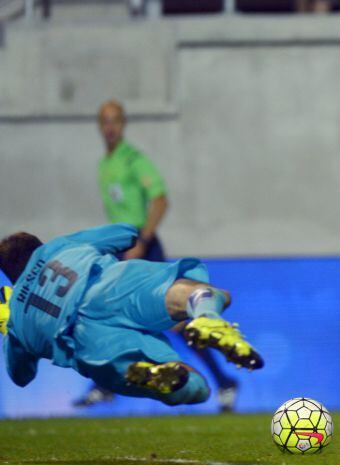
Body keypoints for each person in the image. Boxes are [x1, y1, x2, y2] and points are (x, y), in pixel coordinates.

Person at [75, 100, 241, 412]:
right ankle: (105, 384)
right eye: (105, 121)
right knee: (118, 315)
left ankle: (223, 380)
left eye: (115, 121)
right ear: (100, 126)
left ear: (123, 125)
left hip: (143, 247)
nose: (110, 127)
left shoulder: (134, 161)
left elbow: (160, 200)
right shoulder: (104, 164)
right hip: (123, 250)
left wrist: (143, 239)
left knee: (170, 321)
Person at [0, 224, 264, 406]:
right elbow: (126, 233)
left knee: (197, 389)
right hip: (109, 287)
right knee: (203, 293)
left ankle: (145, 373)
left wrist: (8, 328)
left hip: (89, 343)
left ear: (11, 276)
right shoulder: (60, 247)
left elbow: (20, 375)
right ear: (38, 247)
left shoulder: (17, 321)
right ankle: (208, 317)